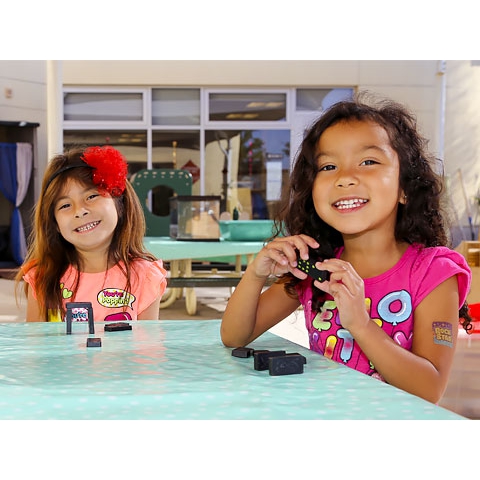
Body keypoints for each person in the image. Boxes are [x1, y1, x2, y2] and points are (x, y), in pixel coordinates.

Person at [221, 92, 473, 404]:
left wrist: (361, 324)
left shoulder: (434, 272)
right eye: (328, 166)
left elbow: (429, 389)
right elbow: (234, 336)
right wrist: (255, 275)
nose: (345, 178)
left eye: (368, 161)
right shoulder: (317, 267)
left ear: (405, 188)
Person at [16, 145, 167, 322]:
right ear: (55, 224)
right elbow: (37, 346)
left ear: (120, 204)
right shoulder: (43, 277)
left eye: (91, 196)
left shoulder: (145, 276)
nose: (80, 211)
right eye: (65, 205)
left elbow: (147, 347)